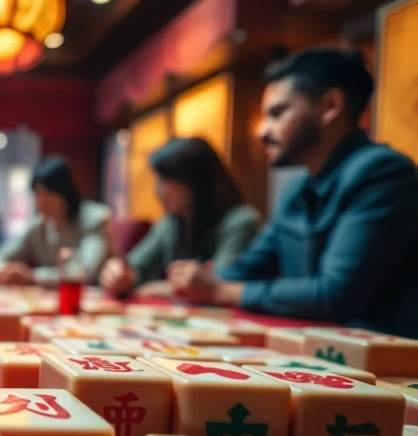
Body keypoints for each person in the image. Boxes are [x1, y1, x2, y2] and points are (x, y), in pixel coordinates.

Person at [169, 48, 418, 337]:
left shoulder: (382, 172)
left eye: (277, 114)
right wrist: (188, 281)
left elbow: (334, 294)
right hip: (320, 348)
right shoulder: (297, 189)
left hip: (384, 356)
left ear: (330, 106)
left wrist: (222, 291)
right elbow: (246, 269)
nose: (262, 130)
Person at [99, 137, 261, 297]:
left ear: (195, 181)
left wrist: (154, 288)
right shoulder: (171, 223)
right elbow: (135, 268)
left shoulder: (242, 222)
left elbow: (217, 287)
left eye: (165, 180)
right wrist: (119, 275)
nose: (158, 191)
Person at [0, 156, 113, 285]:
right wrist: (6, 271)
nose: (40, 203)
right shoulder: (38, 226)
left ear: (65, 192)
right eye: (37, 194)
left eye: (47, 194)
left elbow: (86, 272)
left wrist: (32, 276)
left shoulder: (94, 219)